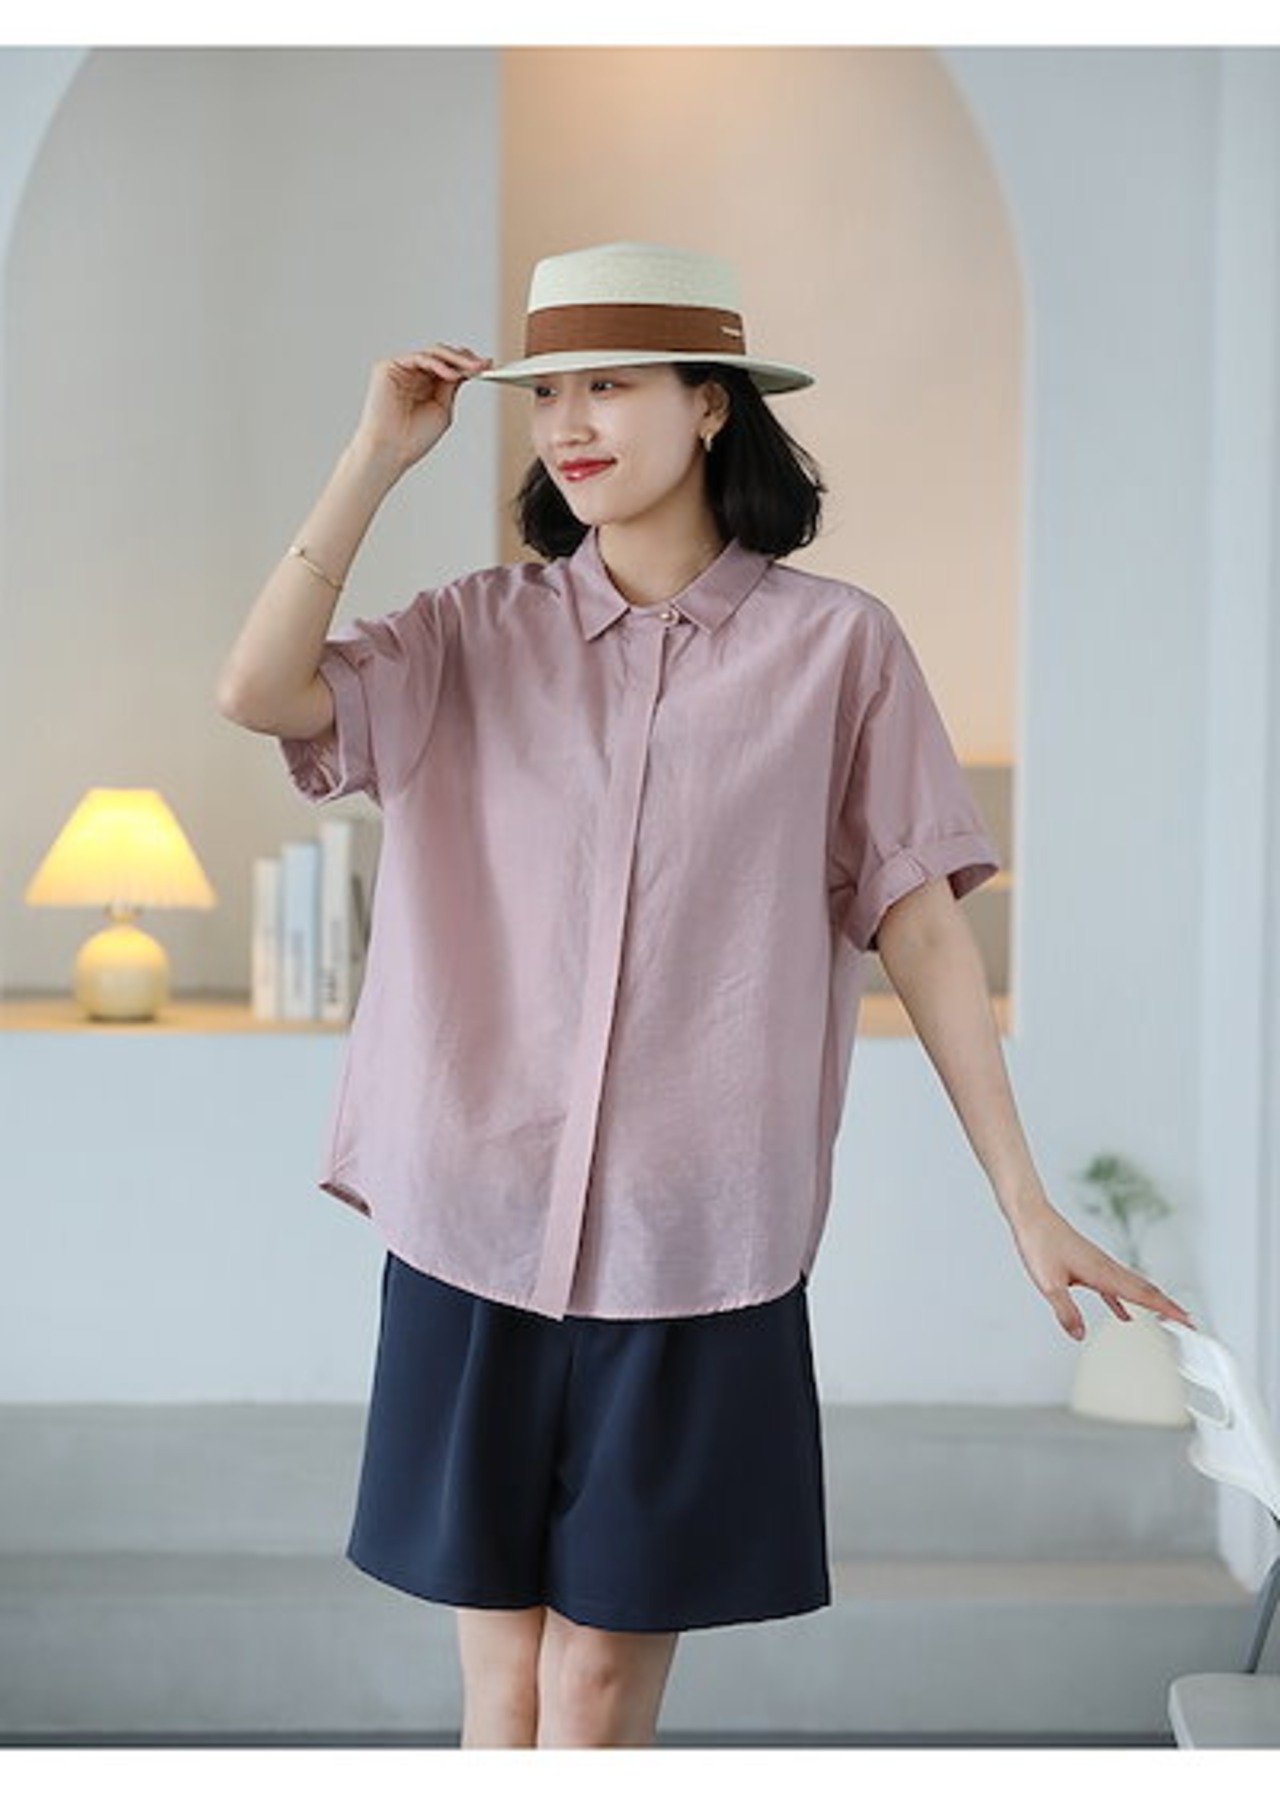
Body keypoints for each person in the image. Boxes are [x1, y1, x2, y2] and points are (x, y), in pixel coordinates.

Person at [217, 241, 1193, 1749]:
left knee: (598, 1687)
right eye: (549, 395)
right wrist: (374, 458)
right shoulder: (471, 633)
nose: (570, 425)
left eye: (610, 387)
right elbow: (258, 694)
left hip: (698, 1245)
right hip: (477, 1221)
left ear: (713, 403)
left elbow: (924, 931)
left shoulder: (839, 649)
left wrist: (1025, 1201)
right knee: (501, 1686)